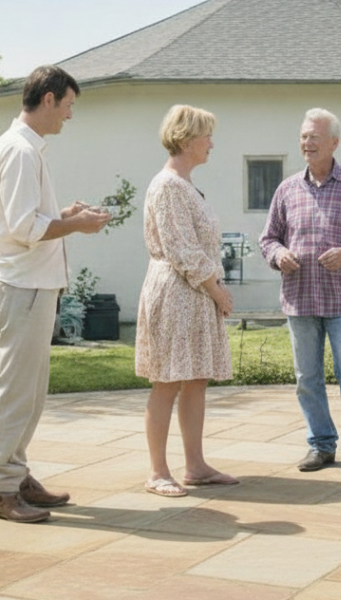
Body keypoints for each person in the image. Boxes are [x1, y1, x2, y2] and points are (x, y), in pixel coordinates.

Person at [0, 65, 111, 523]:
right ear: (49, 99)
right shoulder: (19, 151)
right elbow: (24, 228)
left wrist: (65, 213)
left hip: (31, 285)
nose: (70, 115)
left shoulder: (26, 149)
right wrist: (76, 224)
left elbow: (29, 218)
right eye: (69, 105)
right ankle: (1, 488)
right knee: (15, 389)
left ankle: (16, 474)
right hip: (21, 286)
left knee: (30, 391)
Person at [260, 108, 341, 476]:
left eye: (315, 136)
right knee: (307, 378)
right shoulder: (287, 189)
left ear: (334, 142)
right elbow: (268, 238)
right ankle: (320, 445)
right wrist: (278, 253)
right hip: (300, 300)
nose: (308, 142)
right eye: (303, 136)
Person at [135, 104, 238, 497]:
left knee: (196, 379)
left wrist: (211, 290)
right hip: (177, 292)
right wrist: (217, 291)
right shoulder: (167, 186)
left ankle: (195, 466)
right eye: (207, 135)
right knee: (167, 380)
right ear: (186, 139)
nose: (212, 143)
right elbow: (181, 250)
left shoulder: (186, 185)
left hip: (194, 294)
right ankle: (158, 471)